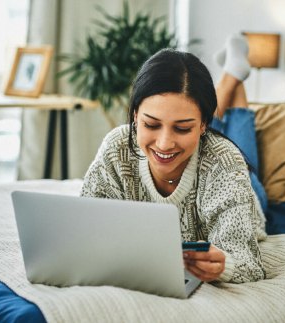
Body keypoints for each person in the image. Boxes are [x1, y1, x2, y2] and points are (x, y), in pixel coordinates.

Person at [81, 35, 267, 283]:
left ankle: (233, 74)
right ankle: (234, 74)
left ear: (203, 125)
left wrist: (225, 266)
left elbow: (249, 264)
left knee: (239, 151)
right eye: (151, 124)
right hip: (203, 150)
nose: (164, 143)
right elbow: (84, 227)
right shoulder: (117, 146)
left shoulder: (225, 162)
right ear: (135, 115)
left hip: (246, 189)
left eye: (182, 128)